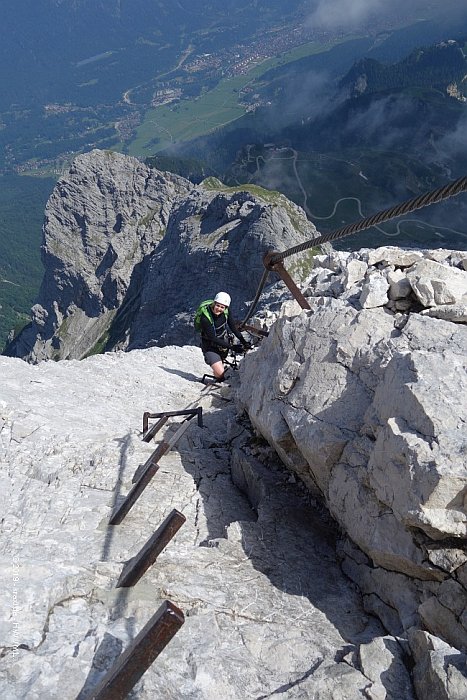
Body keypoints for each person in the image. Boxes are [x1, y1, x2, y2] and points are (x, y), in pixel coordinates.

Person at [199, 292, 249, 382]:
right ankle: (218, 371)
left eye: (222, 307)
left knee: (220, 363)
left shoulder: (226, 312)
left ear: (225, 308)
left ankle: (219, 364)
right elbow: (213, 338)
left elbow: (233, 327)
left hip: (223, 343)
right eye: (217, 305)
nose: (219, 309)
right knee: (220, 374)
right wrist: (232, 348)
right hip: (210, 347)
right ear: (214, 304)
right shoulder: (205, 318)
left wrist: (243, 342)